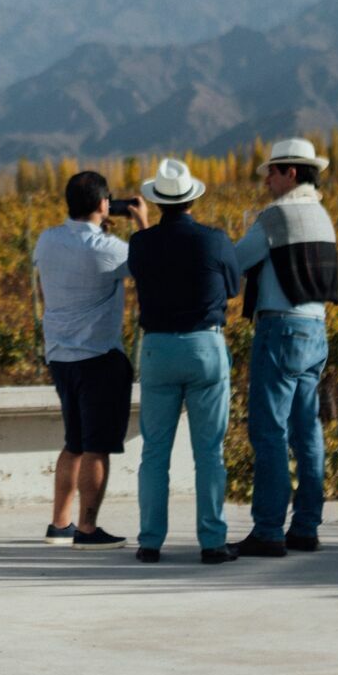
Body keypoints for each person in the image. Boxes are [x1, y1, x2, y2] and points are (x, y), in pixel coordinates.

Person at [125, 158, 241, 565]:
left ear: (157, 202)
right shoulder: (215, 240)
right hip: (204, 346)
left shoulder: (141, 243)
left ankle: (150, 541)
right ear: (192, 198)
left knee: (155, 452)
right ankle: (212, 541)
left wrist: (142, 227)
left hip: (157, 348)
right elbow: (232, 286)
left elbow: (144, 263)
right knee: (209, 451)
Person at [230, 138, 338, 558]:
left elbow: (238, 260)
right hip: (316, 329)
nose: (266, 182)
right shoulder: (322, 216)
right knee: (307, 429)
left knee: (269, 430)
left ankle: (269, 529)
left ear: (290, 172)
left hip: (280, 327)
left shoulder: (278, 216)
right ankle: (307, 526)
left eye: (271, 173)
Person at [32, 170, 149, 549]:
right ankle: (87, 528)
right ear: (103, 204)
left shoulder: (47, 240)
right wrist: (142, 222)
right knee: (97, 446)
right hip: (99, 357)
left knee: (74, 442)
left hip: (60, 356)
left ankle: (59, 523)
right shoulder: (109, 249)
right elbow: (147, 263)